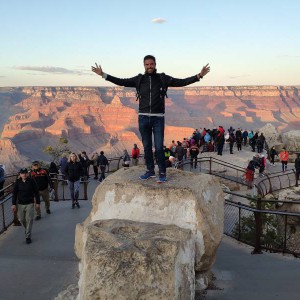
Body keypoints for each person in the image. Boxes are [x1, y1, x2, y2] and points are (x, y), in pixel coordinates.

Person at [92, 55, 210, 183]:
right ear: (144, 65)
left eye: (151, 64)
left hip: (158, 118)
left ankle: (163, 173)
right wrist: (103, 74)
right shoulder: (139, 79)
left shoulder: (162, 78)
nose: (149, 66)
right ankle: (150, 171)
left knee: (159, 148)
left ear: (155, 64)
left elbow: (181, 82)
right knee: (147, 147)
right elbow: (121, 81)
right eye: (147, 64)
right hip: (143, 118)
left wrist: (199, 76)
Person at [12, 168, 41, 244]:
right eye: (22, 173)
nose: (24, 174)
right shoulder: (17, 182)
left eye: (25, 173)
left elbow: (36, 192)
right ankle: (27, 229)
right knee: (21, 219)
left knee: (29, 219)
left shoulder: (31, 181)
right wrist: (13, 204)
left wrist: (37, 202)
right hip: (20, 204)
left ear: (27, 174)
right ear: (20, 174)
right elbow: (14, 194)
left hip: (30, 203)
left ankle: (28, 236)